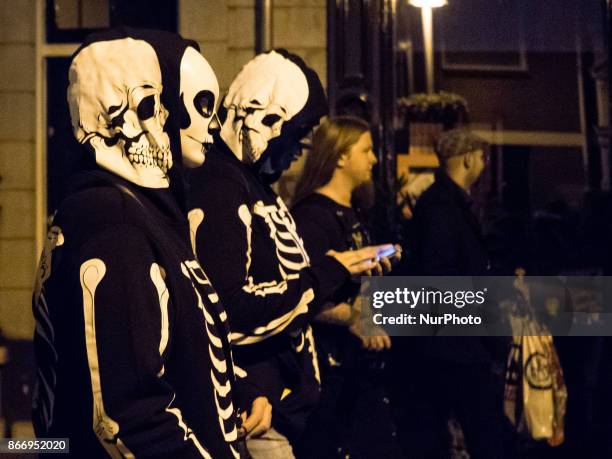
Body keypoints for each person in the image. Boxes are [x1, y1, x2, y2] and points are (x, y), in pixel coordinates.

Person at [31, 29, 246, 458]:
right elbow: (127, 414)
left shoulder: (144, 216)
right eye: (200, 106)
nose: (213, 125)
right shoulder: (115, 224)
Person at [187, 51, 392, 458]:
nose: (302, 146)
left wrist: (334, 271)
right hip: (259, 410)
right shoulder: (222, 188)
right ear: (266, 118)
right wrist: (327, 274)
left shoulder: (255, 186)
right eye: (298, 131)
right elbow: (227, 309)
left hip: (284, 405)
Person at [396, 128, 513, 458]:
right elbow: (441, 279)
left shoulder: (445, 204)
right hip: (454, 347)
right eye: (482, 157)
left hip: (453, 344)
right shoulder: (442, 208)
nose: (485, 164)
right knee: (484, 432)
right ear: (468, 159)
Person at [291, 116, 402, 458]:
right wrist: (353, 319)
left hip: (358, 373)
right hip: (330, 378)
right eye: (366, 150)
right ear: (340, 156)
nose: (374, 159)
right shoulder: (312, 218)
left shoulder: (354, 213)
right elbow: (301, 297)